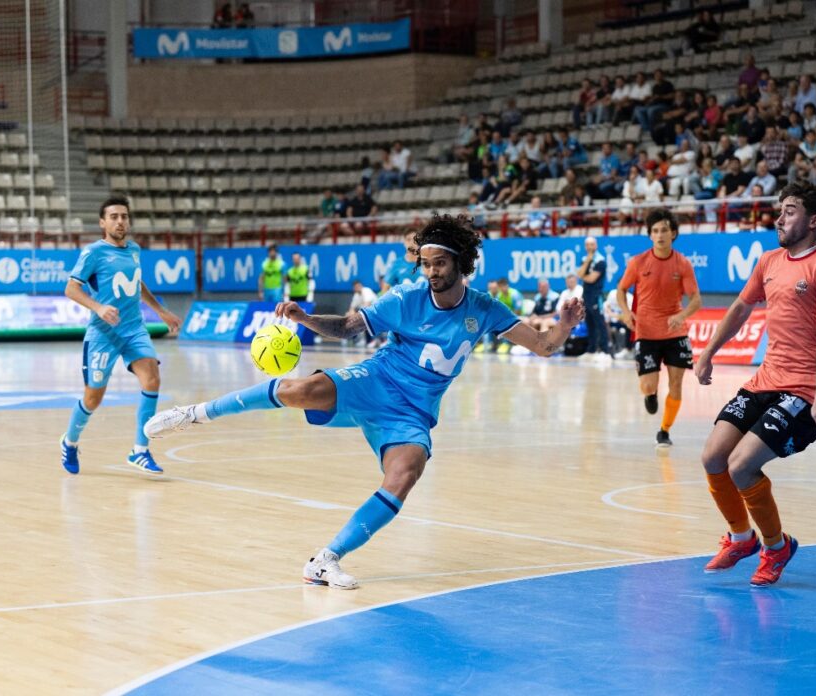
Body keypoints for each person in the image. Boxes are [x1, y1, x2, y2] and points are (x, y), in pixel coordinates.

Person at [143, 215, 586, 589]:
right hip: (377, 378)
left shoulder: (485, 308)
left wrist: (564, 326)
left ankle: (325, 559)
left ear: (460, 263)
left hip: (413, 412)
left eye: (439, 263)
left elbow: (544, 347)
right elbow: (351, 326)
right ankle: (194, 414)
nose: (431, 271)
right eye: (425, 263)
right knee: (300, 390)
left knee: (406, 472)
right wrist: (306, 319)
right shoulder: (406, 297)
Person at [695, 181, 816, 588]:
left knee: (742, 465)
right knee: (713, 457)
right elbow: (741, 307)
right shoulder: (769, 261)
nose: (779, 217)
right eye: (780, 209)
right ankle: (741, 538)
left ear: (814, 221)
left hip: (801, 391)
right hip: (765, 379)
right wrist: (709, 351)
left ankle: (776, 546)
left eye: (789, 210)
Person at [59, 196, 182, 476]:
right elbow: (71, 289)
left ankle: (140, 450)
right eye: (113, 216)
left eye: (124, 216)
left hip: (134, 329)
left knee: (152, 378)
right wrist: (99, 307)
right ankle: (70, 441)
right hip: (103, 334)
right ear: (103, 223)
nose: (120, 221)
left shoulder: (135, 250)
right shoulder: (93, 253)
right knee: (93, 398)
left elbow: (136, 283)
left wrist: (160, 311)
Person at [615, 209, 701, 447]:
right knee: (648, 384)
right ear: (650, 235)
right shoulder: (638, 262)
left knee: (676, 384)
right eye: (655, 231)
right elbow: (621, 290)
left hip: (676, 332)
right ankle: (650, 395)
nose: (660, 234)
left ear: (673, 234)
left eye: (664, 230)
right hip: (646, 332)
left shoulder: (683, 264)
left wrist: (681, 315)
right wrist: (625, 311)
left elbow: (696, 300)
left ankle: (664, 430)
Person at [577, 236, 609, 360]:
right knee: (589, 322)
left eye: (592, 244)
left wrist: (583, 276)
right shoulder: (585, 259)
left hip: (596, 295)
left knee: (599, 322)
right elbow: (580, 274)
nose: (590, 247)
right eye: (587, 245)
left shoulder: (601, 261)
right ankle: (591, 350)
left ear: (596, 245)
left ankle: (605, 351)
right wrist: (587, 261)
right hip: (586, 295)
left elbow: (591, 279)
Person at [380, 228, 425, 292]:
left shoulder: (427, 262)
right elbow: (385, 290)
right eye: (408, 239)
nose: (412, 243)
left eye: (415, 240)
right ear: (404, 243)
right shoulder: (395, 264)